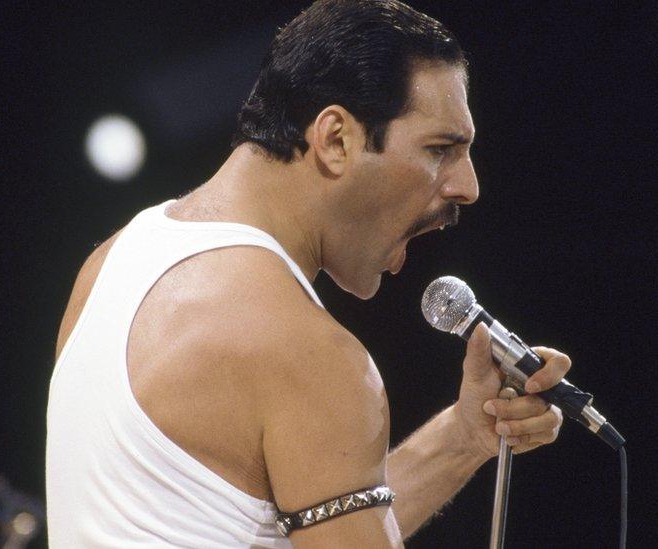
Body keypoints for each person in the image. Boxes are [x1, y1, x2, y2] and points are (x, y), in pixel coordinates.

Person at [46, 1, 571, 547]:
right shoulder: (306, 352)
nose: (468, 186)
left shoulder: (111, 261)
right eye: (440, 149)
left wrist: (464, 437)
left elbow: (309, 517)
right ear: (335, 138)